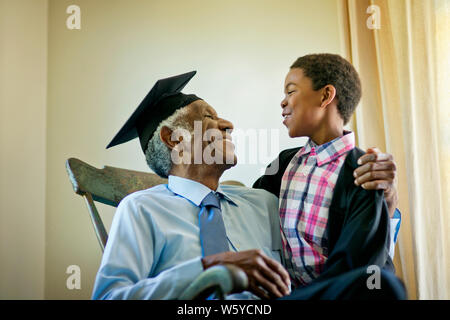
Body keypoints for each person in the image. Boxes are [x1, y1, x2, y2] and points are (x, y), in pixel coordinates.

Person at [92, 71, 403, 300]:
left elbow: (338, 256)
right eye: (209, 117)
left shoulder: (265, 202)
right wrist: (209, 269)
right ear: (174, 138)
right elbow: (109, 297)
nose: (228, 124)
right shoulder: (141, 210)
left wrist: (383, 203)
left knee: (376, 285)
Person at [253, 53, 404, 298]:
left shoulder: (363, 171)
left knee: (386, 286)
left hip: (337, 291)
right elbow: (249, 208)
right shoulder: (283, 164)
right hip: (292, 293)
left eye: (291, 91)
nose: (283, 102)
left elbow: (357, 264)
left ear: (325, 96)